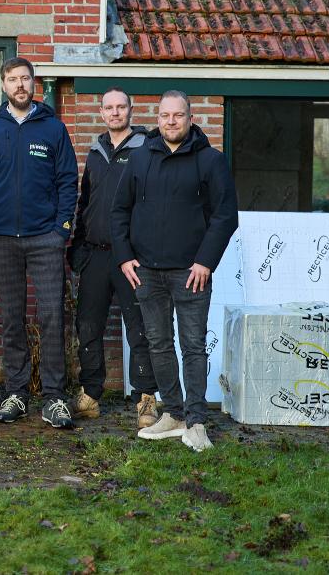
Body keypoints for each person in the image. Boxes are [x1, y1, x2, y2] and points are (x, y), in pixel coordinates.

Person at [111, 90, 238, 451]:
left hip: (191, 272)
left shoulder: (210, 161)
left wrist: (205, 261)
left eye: (178, 115)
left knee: (193, 345)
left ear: (190, 118)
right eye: (165, 115)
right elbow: (119, 211)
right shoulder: (139, 160)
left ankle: (197, 421)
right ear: (157, 118)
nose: (171, 121)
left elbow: (226, 216)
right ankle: (174, 413)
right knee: (159, 343)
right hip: (146, 272)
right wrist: (124, 257)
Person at [0, 57, 78, 430]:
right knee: (11, 318)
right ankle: (16, 393)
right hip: (0, 240)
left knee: (51, 316)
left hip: (45, 238)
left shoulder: (53, 129)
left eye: (26, 79)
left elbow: (67, 181)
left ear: (34, 84)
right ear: (3, 85)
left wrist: (61, 229)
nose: (20, 86)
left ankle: (55, 398)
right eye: (13, 80)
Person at [68, 88, 158, 427]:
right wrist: (77, 245)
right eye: (109, 107)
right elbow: (85, 202)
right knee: (88, 326)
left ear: (131, 110)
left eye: (121, 107)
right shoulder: (94, 152)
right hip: (94, 255)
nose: (115, 112)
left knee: (140, 329)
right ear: (102, 112)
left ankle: (146, 400)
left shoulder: (146, 149)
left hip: (131, 259)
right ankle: (90, 395)